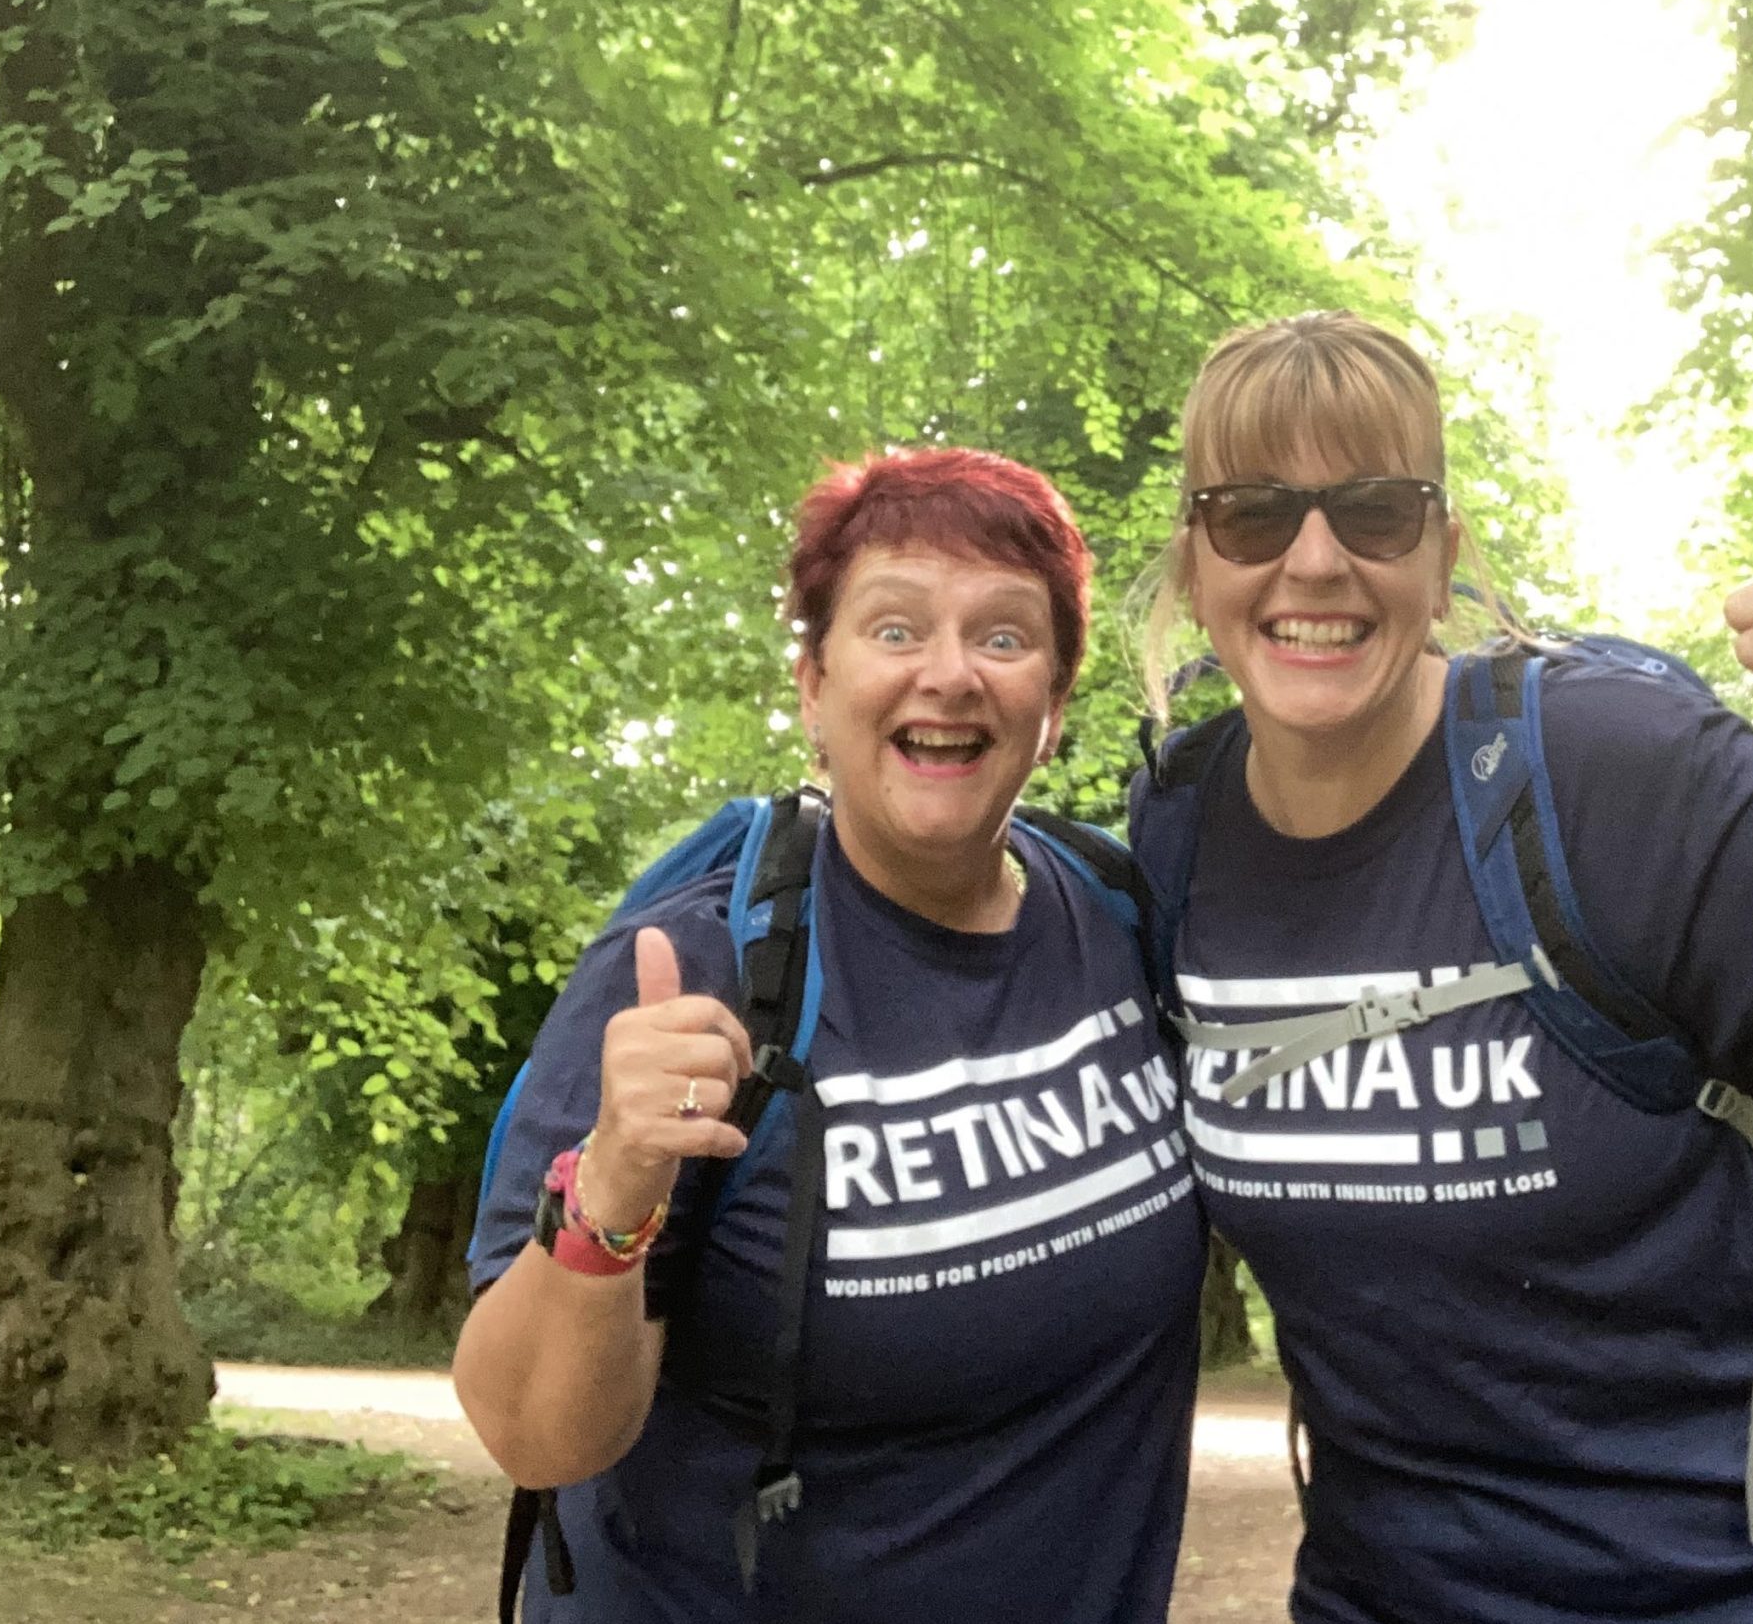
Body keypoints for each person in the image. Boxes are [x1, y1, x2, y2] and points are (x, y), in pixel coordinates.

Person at [1129, 311, 1753, 1624]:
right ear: (1195, 561)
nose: (1315, 559)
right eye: (1253, 513)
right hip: (1407, 1582)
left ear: (1444, 551)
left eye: (1376, 508)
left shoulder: (1607, 772)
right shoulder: (1177, 838)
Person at [456, 447, 1205, 1624]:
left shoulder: (1121, 915)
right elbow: (534, 1434)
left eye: (1003, 637)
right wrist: (614, 1182)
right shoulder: (697, 974)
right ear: (813, 684)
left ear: (1055, 703)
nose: (949, 674)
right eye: (894, 628)